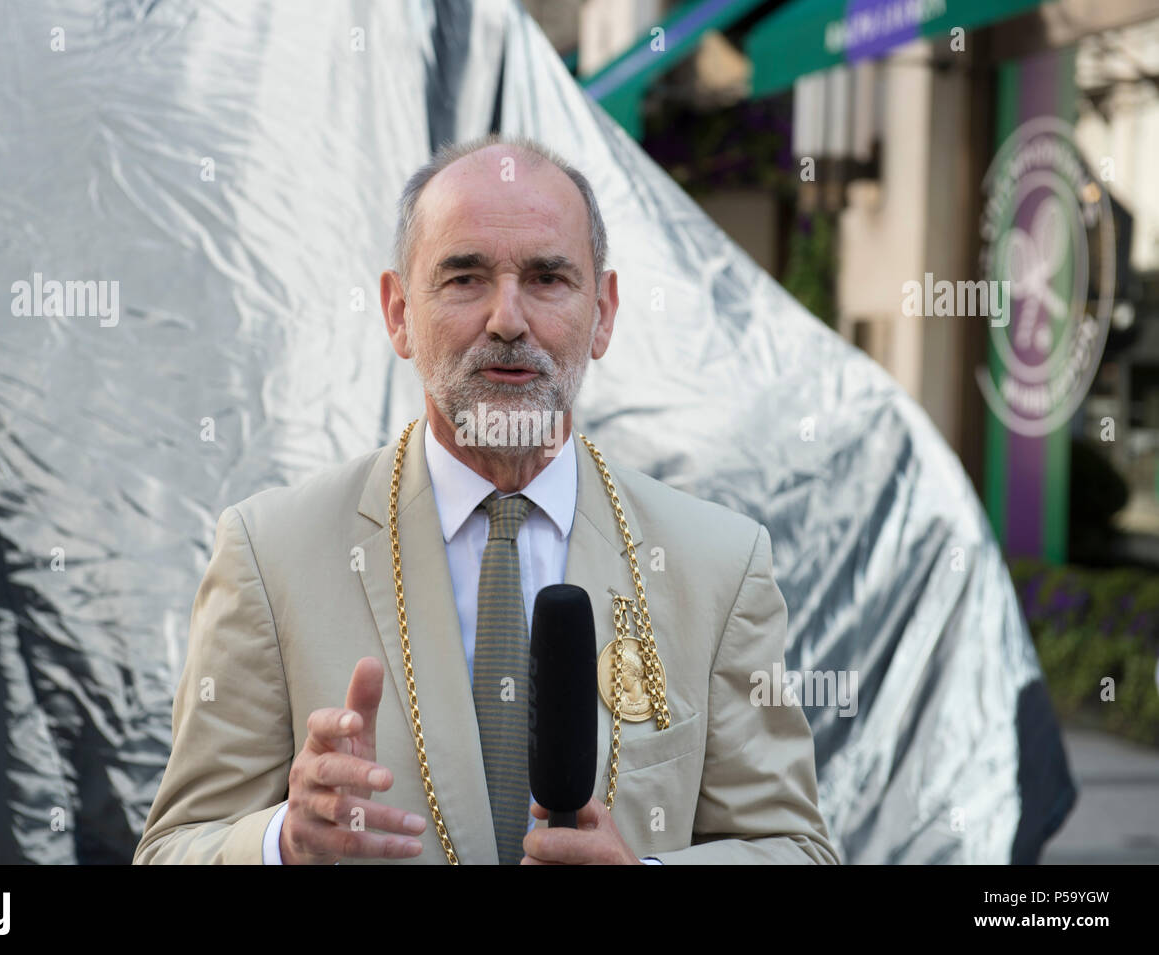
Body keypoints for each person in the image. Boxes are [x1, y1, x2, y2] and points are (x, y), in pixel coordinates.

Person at [133, 134, 840, 865]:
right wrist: (285, 841)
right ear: (399, 311)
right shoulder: (273, 553)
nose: (507, 318)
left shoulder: (716, 566)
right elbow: (171, 849)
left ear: (603, 313)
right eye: (465, 278)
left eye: (546, 278)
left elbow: (795, 848)